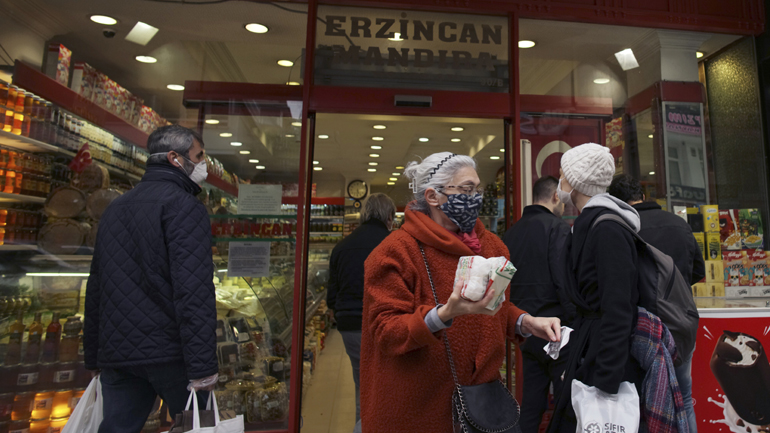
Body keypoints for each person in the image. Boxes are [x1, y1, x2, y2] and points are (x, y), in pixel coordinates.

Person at [360, 151, 562, 433]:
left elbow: (493, 305)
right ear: (433, 196)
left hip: (483, 406)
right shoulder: (395, 252)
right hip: (418, 409)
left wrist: (525, 322)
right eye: (467, 190)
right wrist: (443, 314)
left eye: (477, 189)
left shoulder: (492, 246)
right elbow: (386, 331)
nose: (475, 197)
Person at [85, 125, 218, 433]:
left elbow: (96, 286)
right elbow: (193, 291)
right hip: (170, 354)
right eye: (199, 156)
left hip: (118, 354)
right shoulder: (185, 207)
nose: (204, 165)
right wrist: (202, 366)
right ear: (175, 158)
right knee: (195, 427)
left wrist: (93, 356)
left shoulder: (115, 207)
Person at [548, 143, 645, 433]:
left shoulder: (606, 228)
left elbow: (619, 306)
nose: (560, 182)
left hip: (602, 357)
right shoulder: (591, 223)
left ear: (576, 180)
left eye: (563, 174)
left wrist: (606, 380)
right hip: (590, 348)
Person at [609, 174, 704, 433]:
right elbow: (698, 271)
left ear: (617, 201)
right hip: (681, 325)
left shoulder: (624, 228)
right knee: (684, 399)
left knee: (642, 403)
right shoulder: (679, 224)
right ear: (642, 195)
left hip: (643, 329)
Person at [502, 175, 575, 433]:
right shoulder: (558, 229)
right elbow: (563, 280)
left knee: (531, 403)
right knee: (566, 405)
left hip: (525, 329)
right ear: (555, 196)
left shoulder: (510, 234)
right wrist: (575, 318)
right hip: (557, 329)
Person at [327, 193, 396, 433]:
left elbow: (332, 294)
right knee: (389, 384)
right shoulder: (394, 244)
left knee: (362, 384)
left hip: (350, 327)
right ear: (389, 217)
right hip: (385, 324)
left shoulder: (342, 246)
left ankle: (363, 426)